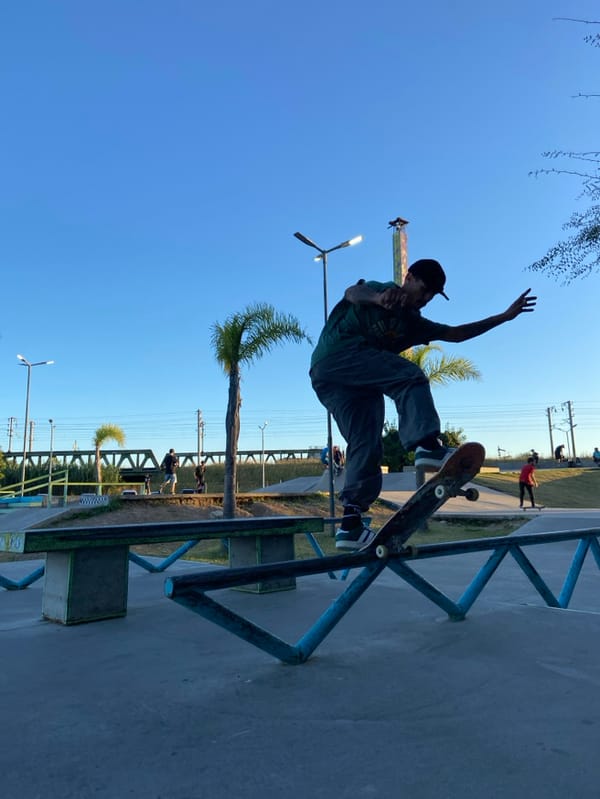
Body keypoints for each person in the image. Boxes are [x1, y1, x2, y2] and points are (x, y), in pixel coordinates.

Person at [309, 258, 537, 549]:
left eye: (433, 295)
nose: (427, 299)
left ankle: (351, 525)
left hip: (346, 382)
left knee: (366, 444)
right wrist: (378, 298)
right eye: (425, 290)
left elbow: (456, 334)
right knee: (410, 377)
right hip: (337, 356)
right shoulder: (383, 290)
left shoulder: (413, 323)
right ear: (409, 277)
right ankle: (427, 446)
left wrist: (503, 317)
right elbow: (352, 293)